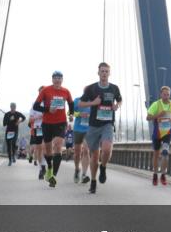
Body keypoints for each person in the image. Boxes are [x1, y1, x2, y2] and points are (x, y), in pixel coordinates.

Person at [79, 62, 122, 194]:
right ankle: (93, 181)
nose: (104, 73)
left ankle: (103, 167)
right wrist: (93, 103)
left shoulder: (114, 88)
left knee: (107, 149)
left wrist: (117, 105)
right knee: (94, 155)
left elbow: (119, 100)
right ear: (98, 73)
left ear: (109, 73)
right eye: (102, 71)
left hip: (107, 124)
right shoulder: (91, 88)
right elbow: (80, 103)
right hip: (93, 126)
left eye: (106, 71)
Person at [33, 72, 73, 188]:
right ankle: (49, 167)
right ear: (52, 79)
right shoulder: (45, 90)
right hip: (47, 123)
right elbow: (36, 106)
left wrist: (71, 114)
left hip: (61, 123)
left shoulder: (66, 91)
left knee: (58, 146)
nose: (57, 80)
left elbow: (71, 104)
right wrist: (48, 109)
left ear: (62, 80)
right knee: (48, 150)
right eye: (55, 78)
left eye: (59, 78)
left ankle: (53, 176)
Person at [146, 86, 171, 187]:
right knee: (156, 154)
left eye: (168, 95)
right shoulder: (156, 104)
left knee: (165, 153)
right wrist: (158, 115)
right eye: (164, 94)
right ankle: (155, 174)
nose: (166, 96)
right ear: (161, 95)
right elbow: (148, 117)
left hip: (167, 133)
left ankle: (163, 175)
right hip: (157, 133)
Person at [71, 95, 90, 184]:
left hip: (89, 130)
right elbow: (70, 113)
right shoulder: (77, 100)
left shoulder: (94, 101)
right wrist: (79, 114)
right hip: (78, 129)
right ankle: (77, 169)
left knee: (86, 151)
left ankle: (84, 174)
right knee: (77, 153)